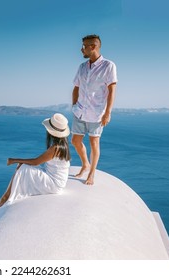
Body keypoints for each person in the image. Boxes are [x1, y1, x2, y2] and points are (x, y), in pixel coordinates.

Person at [0, 113, 71, 209]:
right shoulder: (63, 145)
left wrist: (14, 160)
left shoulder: (55, 148)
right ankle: (7, 195)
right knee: (23, 166)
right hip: (57, 182)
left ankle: (5, 197)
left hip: (54, 185)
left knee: (23, 168)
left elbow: (36, 162)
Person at [71, 34, 118, 185]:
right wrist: (74, 105)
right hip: (80, 111)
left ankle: (91, 174)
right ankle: (85, 164)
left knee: (94, 143)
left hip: (96, 113)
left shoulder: (108, 66)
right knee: (75, 140)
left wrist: (107, 113)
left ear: (93, 47)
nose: (81, 49)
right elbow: (76, 88)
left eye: (84, 46)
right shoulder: (82, 67)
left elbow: (112, 90)